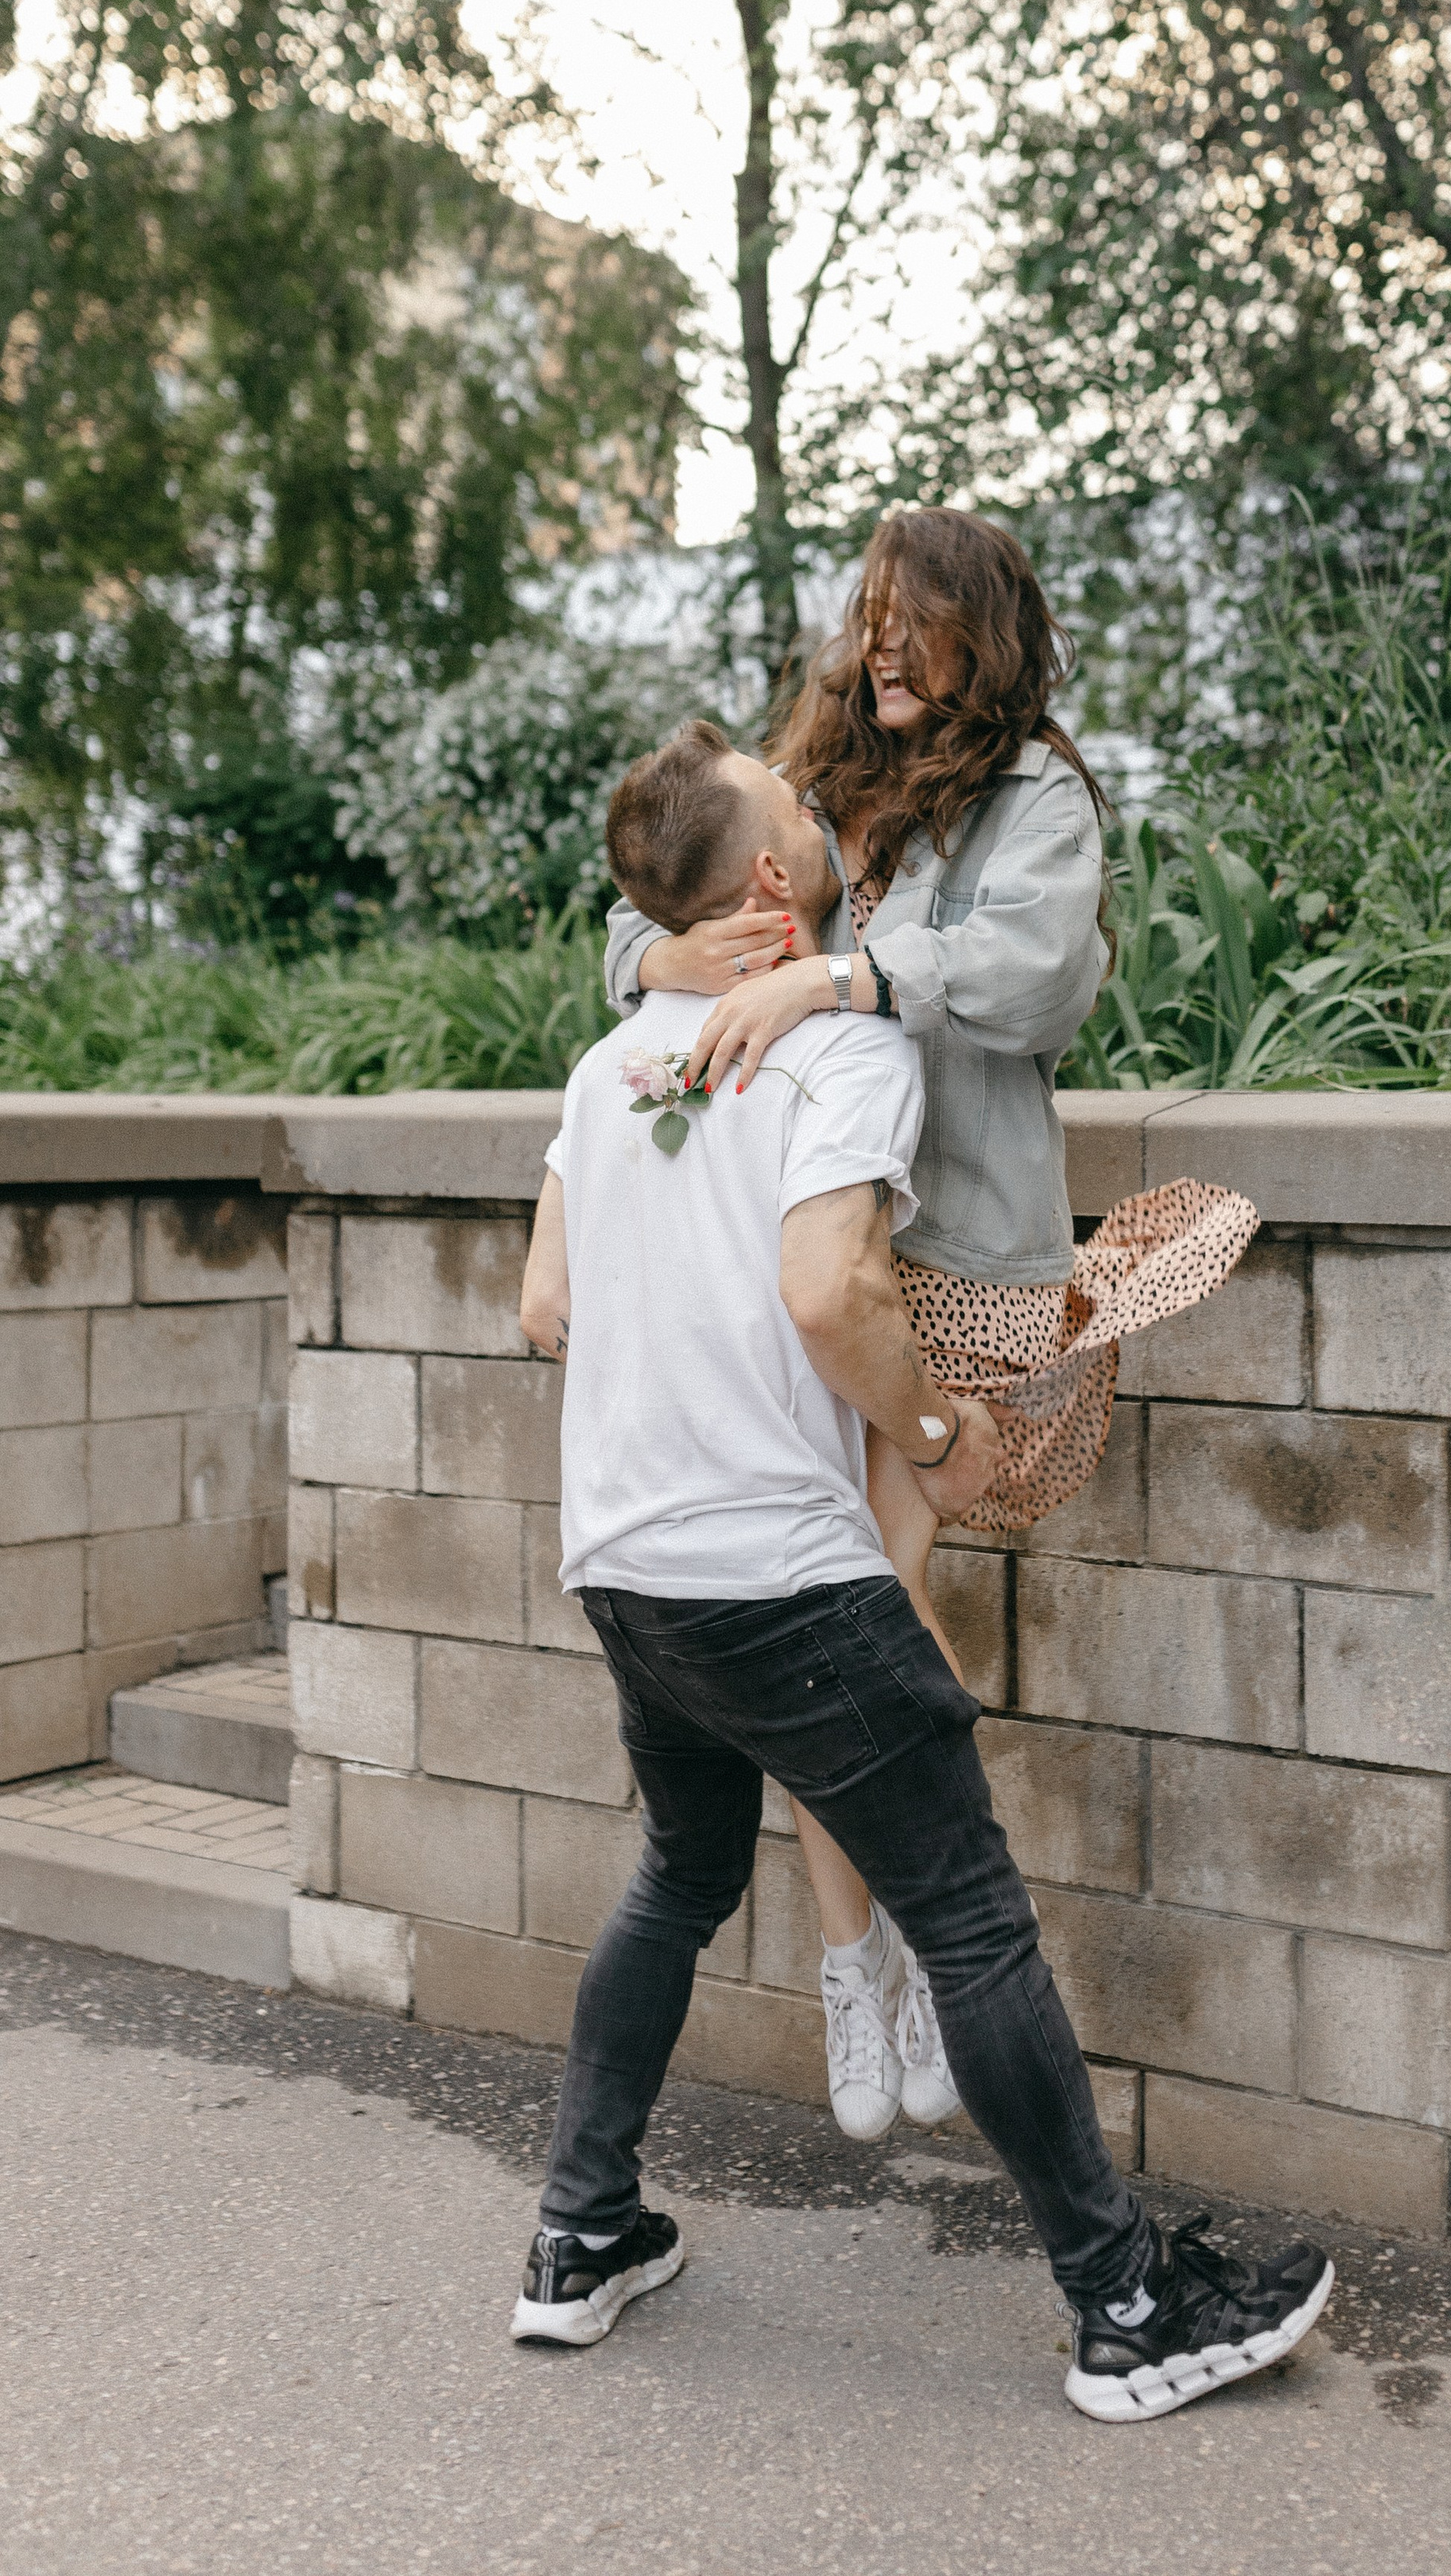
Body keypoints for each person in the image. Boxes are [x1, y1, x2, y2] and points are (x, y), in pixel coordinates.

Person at [511, 724, 1334, 2420]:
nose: (827, 820)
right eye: (803, 812)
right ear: (767, 881)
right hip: (782, 1572)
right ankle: (1123, 2307)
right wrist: (942, 1433)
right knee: (966, 1913)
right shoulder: (840, 1058)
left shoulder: (605, 1073)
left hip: (625, 1556)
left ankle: (578, 2240)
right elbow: (833, 1296)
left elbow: (547, 1306)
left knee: (676, 1871)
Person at [601, 506, 1257, 2144]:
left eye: (915, 626)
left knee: (871, 1607)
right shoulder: (822, 774)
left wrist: (829, 981)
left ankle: (871, 1970)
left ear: (983, 632)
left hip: (954, 1258)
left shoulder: (1035, 791)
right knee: (857, 1617)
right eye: (869, 620)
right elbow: (660, 877)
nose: (879, 650)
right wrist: (667, 947)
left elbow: (1028, 984)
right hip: (814, 1256)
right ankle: (861, 1964)